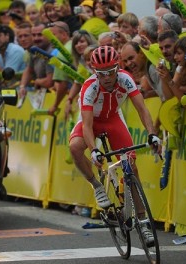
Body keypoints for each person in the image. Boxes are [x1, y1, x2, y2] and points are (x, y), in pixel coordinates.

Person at [68, 46, 160, 245]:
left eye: (111, 71)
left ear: (117, 68)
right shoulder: (89, 87)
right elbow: (87, 125)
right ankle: (96, 185)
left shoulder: (126, 79)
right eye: (102, 73)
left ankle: (143, 221)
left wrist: (152, 134)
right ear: (94, 72)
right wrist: (93, 150)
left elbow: (142, 110)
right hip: (92, 121)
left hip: (113, 119)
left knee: (131, 167)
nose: (108, 77)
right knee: (75, 147)